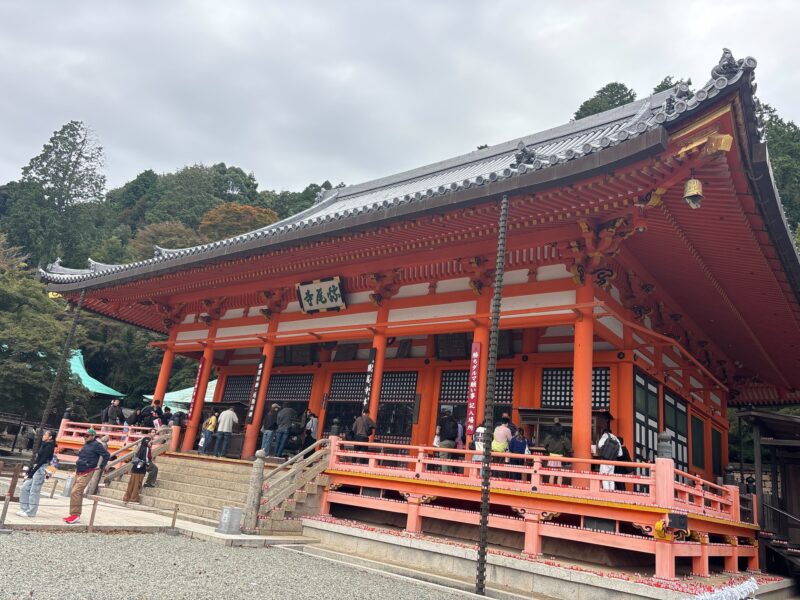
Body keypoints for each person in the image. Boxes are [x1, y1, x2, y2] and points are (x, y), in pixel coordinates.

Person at [65, 428, 110, 524]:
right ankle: (74, 514)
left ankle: (75, 515)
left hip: (88, 470)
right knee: (77, 492)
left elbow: (106, 455)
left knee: (75, 492)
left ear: (93, 436)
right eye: (84, 435)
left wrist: (102, 466)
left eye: (87, 436)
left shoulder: (97, 445)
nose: (85, 437)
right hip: (79, 469)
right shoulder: (86, 444)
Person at [17, 430, 55, 518]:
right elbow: (38, 458)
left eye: (46, 434)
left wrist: (33, 471)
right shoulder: (44, 444)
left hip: (41, 468)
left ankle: (31, 512)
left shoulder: (50, 446)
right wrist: (31, 469)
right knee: (24, 488)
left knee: (34, 491)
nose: (43, 435)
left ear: (50, 437)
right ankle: (24, 508)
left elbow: (42, 460)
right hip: (36, 467)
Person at [542, 420, 572, 485]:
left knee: (552, 474)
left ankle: (551, 488)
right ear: (561, 430)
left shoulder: (549, 438)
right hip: (560, 457)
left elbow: (545, 446)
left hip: (551, 456)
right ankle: (559, 488)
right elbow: (569, 449)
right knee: (560, 474)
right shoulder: (564, 439)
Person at [123, 435, 151, 502]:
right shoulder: (147, 448)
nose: (150, 443)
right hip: (141, 468)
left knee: (131, 483)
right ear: (147, 442)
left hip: (135, 467)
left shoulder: (140, 447)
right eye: (150, 442)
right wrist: (148, 464)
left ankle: (126, 497)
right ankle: (133, 498)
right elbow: (146, 458)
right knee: (137, 484)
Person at [597, 427, 622, 491]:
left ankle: (606, 492)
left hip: (605, 460)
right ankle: (612, 492)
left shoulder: (605, 436)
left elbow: (599, 445)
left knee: (604, 477)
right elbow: (620, 454)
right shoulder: (616, 438)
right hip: (612, 461)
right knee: (611, 477)